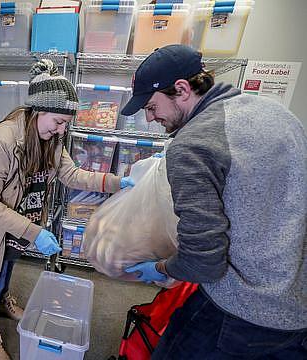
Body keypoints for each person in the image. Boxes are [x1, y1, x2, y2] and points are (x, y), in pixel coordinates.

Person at [121, 44, 307, 358]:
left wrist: (161, 267)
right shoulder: (280, 115)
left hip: (240, 310)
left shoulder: (193, 144)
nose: (151, 118)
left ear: (181, 89)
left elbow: (203, 261)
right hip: (297, 305)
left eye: (151, 107)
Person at [0, 59, 135, 360]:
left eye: (66, 123)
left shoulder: (51, 140)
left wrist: (118, 182)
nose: (62, 130)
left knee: (8, 269)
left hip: (24, 224)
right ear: (38, 111)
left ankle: (2, 302)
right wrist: (34, 232)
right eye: (58, 121)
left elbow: (73, 175)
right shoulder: (1, 140)